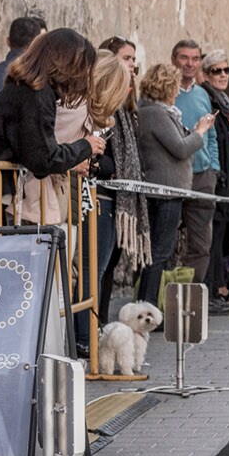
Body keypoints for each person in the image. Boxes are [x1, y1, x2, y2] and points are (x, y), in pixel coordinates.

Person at [0, 28, 103, 228]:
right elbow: (43, 159)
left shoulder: (32, 90)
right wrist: (85, 146)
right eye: (82, 67)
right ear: (67, 64)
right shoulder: (35, 94)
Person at [136, 62, 212, 310]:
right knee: (160, 251)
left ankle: (151, 303)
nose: (178, 92)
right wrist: (200, 132)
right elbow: (180, 148)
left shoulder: (159, 112)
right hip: (165, 190)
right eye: (176, 86)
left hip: (170, 188)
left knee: (162, 250)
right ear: (167, 87)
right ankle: (147, 305)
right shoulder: (155, 113)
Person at [87, 51, 147, 318]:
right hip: (96, 200)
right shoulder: (91, 114)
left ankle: (95, 328)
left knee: (104, 269)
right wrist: (101, 165)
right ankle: (85, 334)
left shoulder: (120, 115)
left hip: (113, 199)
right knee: (93, 271)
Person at [171, 40, 220, 279]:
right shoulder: (164, 91)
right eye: (184, 58)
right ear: (174, 60)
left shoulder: (202, 94)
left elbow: (211, 134)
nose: (190, 64)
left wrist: (214, 167)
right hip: (172, 174)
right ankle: (159, 298)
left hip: (202, 175)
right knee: (166, 241)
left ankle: (191, 301)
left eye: (195, 58)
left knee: (200, 244)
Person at [201, 57, 229, 310]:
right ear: (206, 74)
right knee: (212, 241)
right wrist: (218, 173)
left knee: (220, 240)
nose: (222, 74)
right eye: (216, 70)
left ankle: (217, 289)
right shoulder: (208, 99)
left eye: (226, 70)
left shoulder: (226, 103)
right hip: (216, 180)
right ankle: (212, 291)